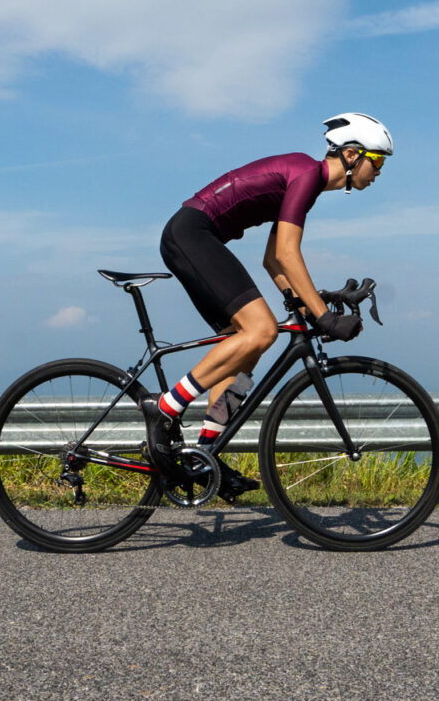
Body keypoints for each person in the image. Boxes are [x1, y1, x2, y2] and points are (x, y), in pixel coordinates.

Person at [143, 113, 393, 489]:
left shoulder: (306, 183)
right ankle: (164, 409)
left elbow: (273, 259)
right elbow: (289, 254)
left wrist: (309, 305)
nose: (378, 172)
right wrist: (324, 317)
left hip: (194, 236)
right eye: (377, 161)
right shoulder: (307, 175)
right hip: (192, 233)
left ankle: (206, 458)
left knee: (243, 351)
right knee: (261, 330)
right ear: (353, 155)